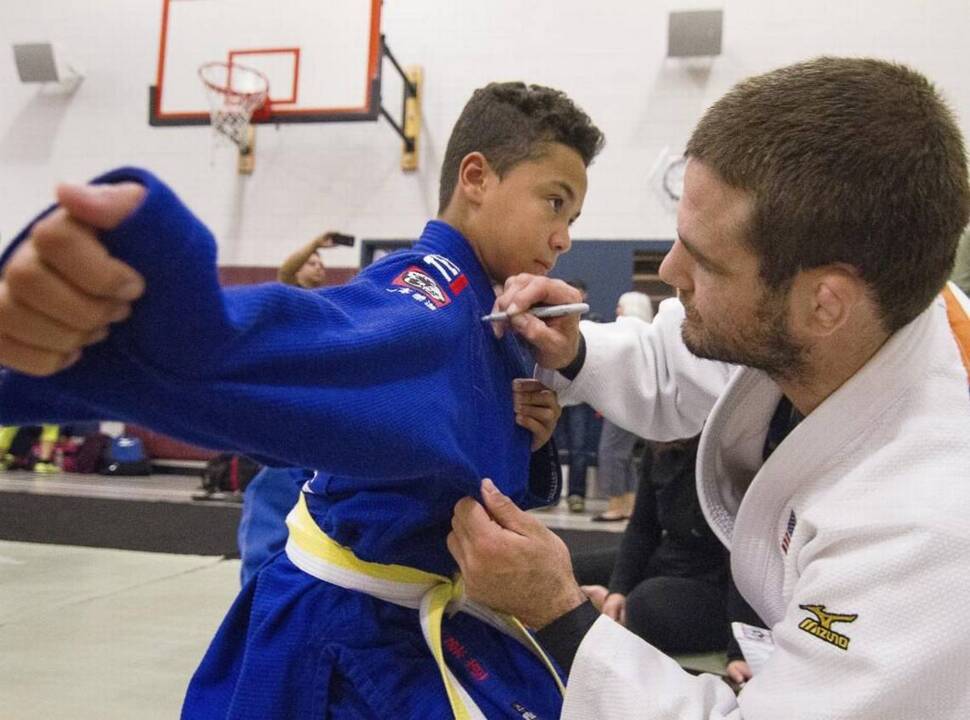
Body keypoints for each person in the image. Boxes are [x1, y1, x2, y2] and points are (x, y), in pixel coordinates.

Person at [0, 81, 603, 719]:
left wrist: (524, 441)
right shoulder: (425, 300)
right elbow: (308, 351)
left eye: (573, 219)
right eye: (554, 202)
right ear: (476, 178)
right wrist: (154, 330)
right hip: (348, 642)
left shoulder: (488, 315)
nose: (562, 235)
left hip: (414, 619)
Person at [447, 57, 970, 719]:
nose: (670, 271)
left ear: (825, 303)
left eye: (705, 260)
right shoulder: (870, 311)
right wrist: (575, 352)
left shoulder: (928, 528)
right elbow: (679, 366)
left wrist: (558, 615)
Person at [237, 232, 350, 585]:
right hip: (288, 423)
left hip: (321, 426)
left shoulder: (332, 309)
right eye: (312, 262)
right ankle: (256, 593)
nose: (319, 268)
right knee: (272, 502)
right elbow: (287, 268)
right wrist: (315, 242)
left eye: (322, 264)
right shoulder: (288, 299)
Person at [591, 290, 653, 521]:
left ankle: (616, 505)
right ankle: (629, 505)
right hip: (638, 407)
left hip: (622, 405)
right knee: (623, 455)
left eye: (620, 306)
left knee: (610, 453)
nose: (617, 310)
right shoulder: (648, 336)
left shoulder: (625, 335)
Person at [552, 278, 602, 512]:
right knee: (546, 446)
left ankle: (576, 495)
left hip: (581, 395)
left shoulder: (594, 325)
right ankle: (548, 494)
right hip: (553, 391)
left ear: (585, 296)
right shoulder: (550, 321)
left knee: (579, 447)